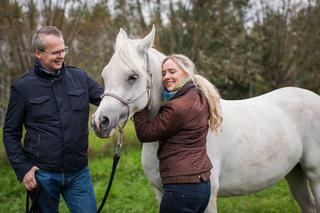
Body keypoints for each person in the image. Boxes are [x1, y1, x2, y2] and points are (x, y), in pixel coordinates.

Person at [3, 26, 103, 213]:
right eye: (55, 52)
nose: (61, 56)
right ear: (38, 53)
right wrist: (23, 168)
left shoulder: (80, 77)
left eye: (63, 50)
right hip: (43, 175)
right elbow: (10, 133)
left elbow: (107, 100)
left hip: (79, 172)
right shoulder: (23, 87)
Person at [133, 54, 223, 213]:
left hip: (182, 188)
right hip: (201, 185)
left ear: (187, 72)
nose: (166, 77)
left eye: (172, 71)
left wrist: (139, 102)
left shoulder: (177, 107)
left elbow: (145, 133)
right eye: (163, 73)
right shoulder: (198, 96)